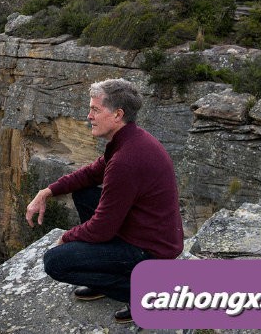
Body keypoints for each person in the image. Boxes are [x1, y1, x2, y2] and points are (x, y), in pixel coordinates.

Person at [25, 78, 183, 324]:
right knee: (84, 193)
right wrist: (47, 191)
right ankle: (104, 278)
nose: (89, 116)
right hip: (145, 231)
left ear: (118, 114)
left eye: (96, 110)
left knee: (55, 262)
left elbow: (101, 229)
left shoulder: (127, 160)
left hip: (149, 250)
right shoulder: (128, 140)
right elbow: (91, 174)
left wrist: (66, 238)